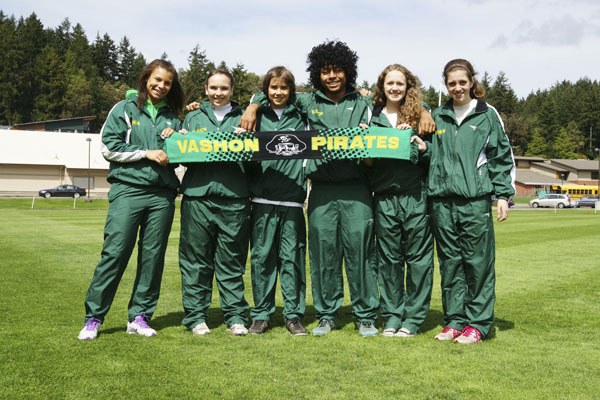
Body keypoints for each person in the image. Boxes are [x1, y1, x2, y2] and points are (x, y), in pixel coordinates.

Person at [242, 41, 435, 336]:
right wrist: (254, 105)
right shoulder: (306, 103)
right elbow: (270, 91)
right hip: (321, 190)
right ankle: (327, 315)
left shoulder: (363, 102)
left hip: (357, 188)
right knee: (324, 255)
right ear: (318, 74)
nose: (331, 76)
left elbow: (397, 102)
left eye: (337, 70)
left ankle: (365, 315)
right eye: (325, 71)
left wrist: (424, 111)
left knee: (361, 254)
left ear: (347, 72)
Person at [77, 59, 184, 340]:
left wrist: (178, 139)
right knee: (115, 253)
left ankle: (139, 317)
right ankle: (94, 317)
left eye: (167, 83)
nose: (161, 86)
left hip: (162, 195)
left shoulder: (173, 116)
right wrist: (146, 152)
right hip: (128, 190)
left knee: (152, 257)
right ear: (146, 78)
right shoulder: (124, 108)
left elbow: (176, 156)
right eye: (157, 80)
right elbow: (109, 147)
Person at [428, 59, 515, 344]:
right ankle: (455, 320)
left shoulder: (486, 114)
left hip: (475, 201)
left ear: (471, 82)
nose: (457, 88)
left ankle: (477, 324)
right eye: (451, 83)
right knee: (450, 263)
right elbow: (430, 153)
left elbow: (502, 156)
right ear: (446, 84)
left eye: (462, 82)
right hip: (442, 202)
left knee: (477, 264)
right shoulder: (437, 115)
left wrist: (502, 195)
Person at [178, 69, 251, 336]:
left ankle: (235, 316)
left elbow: (256, 155)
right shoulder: (193, 116)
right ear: (206, 89)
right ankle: (196, 316)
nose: (218, 93)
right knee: (196, 260)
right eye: (213, 88)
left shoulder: (245, 117)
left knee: (232, 260)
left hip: (235, 198)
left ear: (232, 90)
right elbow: (183, 157)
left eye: (224, 88)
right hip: (198, 197)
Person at [366, 64, 434, 338]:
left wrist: (423, 147)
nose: (394, 88)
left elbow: (435, 157)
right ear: (382, 86)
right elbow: (367, 161)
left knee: (418, 261)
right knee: (389, 261)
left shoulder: (422, 115)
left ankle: (413, 318)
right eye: (389, 83)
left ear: (408, 87)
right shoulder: (372, 116)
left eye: (400, 83)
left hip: (415, 197)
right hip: (384, 198)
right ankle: (393, 316)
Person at [246, 66, 309, 336]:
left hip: (293, 201)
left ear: (291, 90)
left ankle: (293, 316)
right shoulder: (257, 113)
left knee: (292, 260)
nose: (278, 92)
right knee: (262, 260)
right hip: (262, 199)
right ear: (266, 90)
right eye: (273, 87)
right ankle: (261, 315)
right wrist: (252, 106)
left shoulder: (302, 112)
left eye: (284, 88)